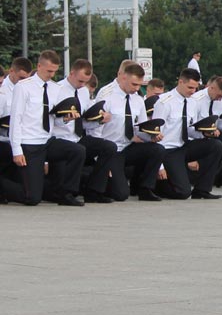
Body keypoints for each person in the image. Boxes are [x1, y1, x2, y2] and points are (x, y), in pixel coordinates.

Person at [3, 50, 86, 206]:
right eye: (49, 71)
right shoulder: (23, 87)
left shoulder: (56, 89)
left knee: (78, 151)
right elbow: (16, 119)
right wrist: (17, 150)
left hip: (47, 141)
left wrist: (66, 119)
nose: (52, 74)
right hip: (29, 144)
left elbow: (56, 120)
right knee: (32, 198)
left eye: (55, 71)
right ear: (39, 66)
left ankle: (66, 193)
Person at [94, 62, 165, 202]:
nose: (137, 88)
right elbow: (95, 129)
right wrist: (100, 160)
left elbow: (141, 128)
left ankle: (145, 189)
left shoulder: (138, 100)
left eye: (140, 85)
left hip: (128, 146)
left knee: (157, 149)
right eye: (134, 84)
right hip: (112, 149)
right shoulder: (106, 95)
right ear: (123, 78)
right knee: (120, 195)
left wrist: (152, 136)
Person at [151, 68, 222, 200]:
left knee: (216, 145)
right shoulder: (164, 102)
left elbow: (190, 129)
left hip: (184, 146)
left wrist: (205, 134)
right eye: (190, 87)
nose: (193, 91)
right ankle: (156, 185)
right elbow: (155, 135)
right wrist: (159, 167)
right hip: (168, 150)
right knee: (183, 193)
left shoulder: (193, 102)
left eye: (195, 88)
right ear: (180, 82)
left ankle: (202, 189)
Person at [55, 59, 118, 204]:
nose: (82, 84)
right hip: (59, 137)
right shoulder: (57, 90)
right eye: (80, 81)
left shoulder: (83, 92)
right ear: (71, 73)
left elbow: (83, 122)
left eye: (85, 81)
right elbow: (50, 121)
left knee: (109, 147)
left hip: (76, 137)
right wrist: (65, 119)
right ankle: (67, 194)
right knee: (79, 150)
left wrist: (100, 120)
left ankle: (94, 191)